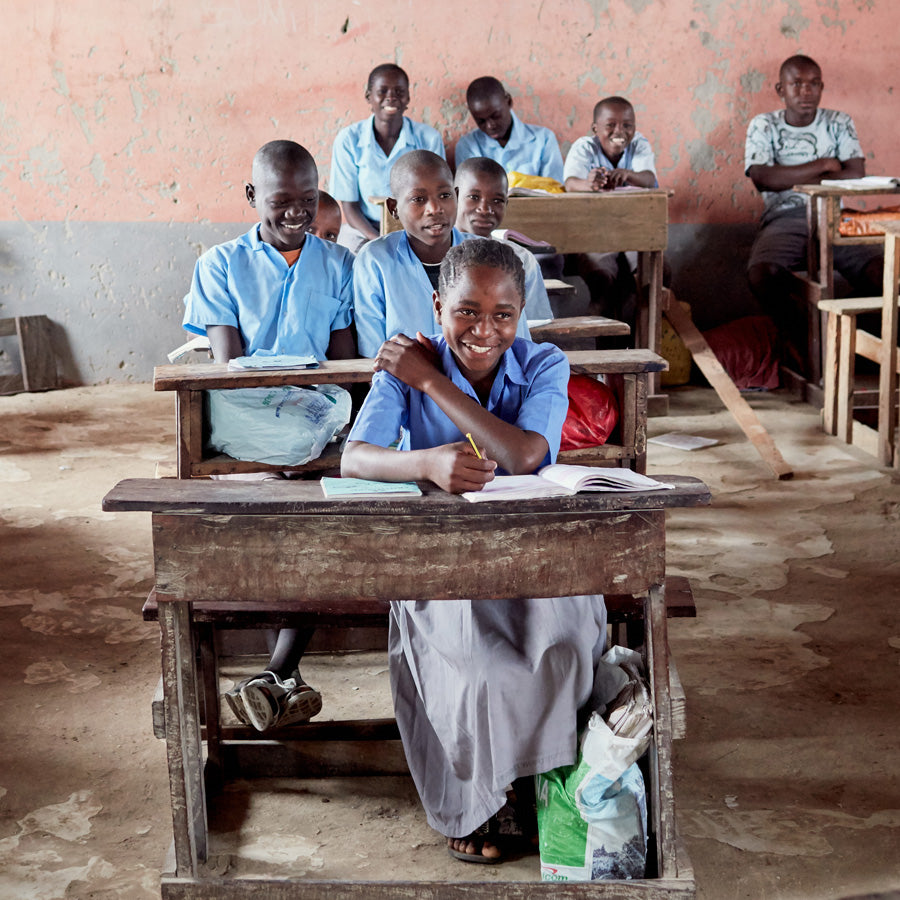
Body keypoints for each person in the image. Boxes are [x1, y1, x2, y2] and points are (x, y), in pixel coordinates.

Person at [341, 239, 607, 863]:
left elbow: (521, 457)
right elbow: (354, 456)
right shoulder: (404, 362)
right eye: (466, 311)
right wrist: (426, 461)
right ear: (438, 306)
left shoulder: (543, 365)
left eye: (502, 314)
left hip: (536, 553)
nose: (484, 330)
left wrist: (431, 382)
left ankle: (543, 785)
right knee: (474, 663)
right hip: (444, 558)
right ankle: (483, 799)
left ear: (522, 314)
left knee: (564, 641)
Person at [182, 139, 356, 731]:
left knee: (316, 511)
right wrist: (292, 439)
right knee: (287, 499)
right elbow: (232, 372)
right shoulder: (220, 264)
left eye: (308, 200)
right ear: (253, 196)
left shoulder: (337, 265)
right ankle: (281, 675)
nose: (297, 214)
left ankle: (279, 676)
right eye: (282, 201)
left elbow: (342, 371)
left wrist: (324, 430)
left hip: (312, 417)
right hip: (247, 414)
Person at [745, 54, 883, 372]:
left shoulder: (838, 122)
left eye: (813, 84)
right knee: (762, 274)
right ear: (781, 89)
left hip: (834, 212)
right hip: (786, 216)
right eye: (797, 84)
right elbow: (763, 177)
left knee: (882, 273)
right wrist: (823, 164)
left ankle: (847, 344)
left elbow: (854, 174)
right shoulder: (763, 125)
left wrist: (788, 175)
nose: (806, 91)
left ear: (822, 87)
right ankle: (804, 345)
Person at [353, 150, 545, 357]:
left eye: (445, 196)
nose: (435, 208)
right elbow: (374, 355)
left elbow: (519, 348)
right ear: (394, 208)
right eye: (418, 199)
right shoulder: (375, 260)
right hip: (404, 385)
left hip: (484, 385)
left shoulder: (491, 257)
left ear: (456, 196)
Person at [563, 96, 659, 321]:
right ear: (595, 128)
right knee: (603, 285)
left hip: (634, 230)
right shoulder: (584, 147)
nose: (620, 132)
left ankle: (638, 342)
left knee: (655, 279)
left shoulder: (639, 145)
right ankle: (602, 349)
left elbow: (649, 178)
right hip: (595, 233)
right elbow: (570, 184)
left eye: (628, 125)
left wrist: (628, 175)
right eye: (610, 125)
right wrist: (590, 184)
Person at [329, 63, 445, 248]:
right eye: (382, 91)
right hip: (363, 229)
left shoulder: (428, 139)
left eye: (399, 92)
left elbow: (434, 196)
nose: (391, 98)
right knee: (351, 255)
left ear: (408, 98)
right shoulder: (349, 140)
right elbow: (349, 207)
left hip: (415, 227)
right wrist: (377, 240)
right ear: (369, 97)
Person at [454, 156, 553, 320]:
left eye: (497, 200)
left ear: (506, 204)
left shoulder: (521, 259)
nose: (485, 209)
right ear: (454, 196)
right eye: (474, 197)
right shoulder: (434, 254)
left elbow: (537, 323)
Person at [454, 76, 564, 183]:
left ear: (509, 101)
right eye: (481, 121)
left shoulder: (543, 139)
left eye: (496, 116)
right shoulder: (467, 145)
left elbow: (554, 190)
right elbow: (470, 191)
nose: (490, 125)